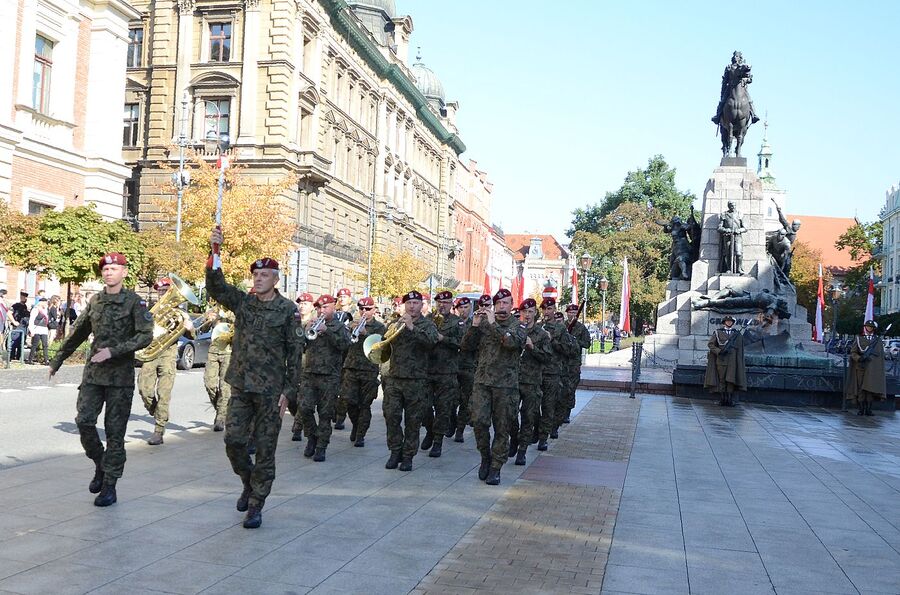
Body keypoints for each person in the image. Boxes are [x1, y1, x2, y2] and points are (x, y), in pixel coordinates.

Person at [206, 228, 303, 528]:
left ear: (276, 279)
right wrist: (215, 250)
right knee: (233, 441)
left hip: (271, 393)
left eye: (265, 274)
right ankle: (248, 482)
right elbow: (216, 287)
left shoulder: (288, 310)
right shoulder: (244, 303)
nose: (259, 278)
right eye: (256, 274)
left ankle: (257, 504)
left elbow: (295, 354)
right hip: (242, 386)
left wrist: (290, 391)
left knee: (265, 449)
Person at [48, 253, 154, 507]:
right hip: (94, 376)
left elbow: (145, 336)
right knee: (84, 422)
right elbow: (78, 333)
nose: (108, 272)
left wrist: (114, 351)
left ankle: (110, 486)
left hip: (120, 378)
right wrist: (57, 360)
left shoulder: (134, 303)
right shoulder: (96, 301)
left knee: (115, 434)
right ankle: (100, 463)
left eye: (114, 268)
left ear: (124, 272)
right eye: (105, 269)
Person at [463, 288, 526, 486]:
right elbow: (466, 347)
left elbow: (511, 343)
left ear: (511, 304)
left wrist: (491, 324)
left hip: (505, 386)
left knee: (502, 427)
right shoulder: (482, 324)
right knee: (479, 422)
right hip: (482, 382)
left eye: (505, 303)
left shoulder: (519, 326)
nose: (501, 307)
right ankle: (485, 456)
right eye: (498, 303)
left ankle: (496, 467)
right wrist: (474, 326)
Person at [382, 290, 438, 471]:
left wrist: (412, 328)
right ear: (404, 305)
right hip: (395, 378)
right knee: (391, 416)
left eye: (415, 303)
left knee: (413, 421)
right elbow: (383, 345)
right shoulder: (394, 323)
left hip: (416, 380)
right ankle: (395, 451)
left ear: (422, 306)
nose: (412, 307)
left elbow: (431, 342)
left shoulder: (428, 325)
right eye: (409, 303)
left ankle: (408, 456)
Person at [138, 278, 193, 446]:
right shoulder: (149, 312)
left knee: (164, 393)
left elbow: (193, 336)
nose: (162, 293)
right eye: (160, 291)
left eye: (166, 290)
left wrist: (190, 328)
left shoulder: (181, 314)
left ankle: (159, 429)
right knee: (144, 389)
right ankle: (158, 413)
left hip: (168, 355)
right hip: (151, 354)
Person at [300, 294, 350, 462]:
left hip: (330, 376)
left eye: (325, 307)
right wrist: (305, 331)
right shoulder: (312, 324)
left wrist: (327, 331)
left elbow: (345, 345)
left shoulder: (340, 327)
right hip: (309, 373)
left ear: (333, 307)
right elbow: (300, 347)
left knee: (325, 413)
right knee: (304, 408)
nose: (321, 310)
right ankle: (312, 437)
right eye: (319, 308)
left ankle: (321, 446)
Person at [421, 291, 463, 457]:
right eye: (439, 302)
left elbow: (461, 344)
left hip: (447, 371)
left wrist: (442, 338)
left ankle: (437, 441)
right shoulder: (428, 320)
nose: (442, 305)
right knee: (423, 406)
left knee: (443, 408)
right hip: (427, 369)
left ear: (451, 303)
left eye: (446, 302)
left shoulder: (457, 322)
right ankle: (430, 430)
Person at [340, 296, 385, 447]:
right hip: (351, 367)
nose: (364, 311)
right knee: (349, 402)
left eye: (367, 309)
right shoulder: (351, 324)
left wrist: (366, 334)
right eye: (361, 309)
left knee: (365, 404)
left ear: (374, 310)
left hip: (369, 369)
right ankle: (355, 425)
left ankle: (360, 435)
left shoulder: (380, 327)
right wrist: (349, 331)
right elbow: (343, 344)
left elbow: (380, 347)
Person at [512, 298, 551, 465]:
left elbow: (547, 357)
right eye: (523, 312)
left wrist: (532, 348)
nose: (527, 315)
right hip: (512, 380)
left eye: (530, 312)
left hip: (532, 382)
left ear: (535, 313)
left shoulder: (542, 335)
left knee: (528, 417)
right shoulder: (514, 330)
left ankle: (522, 450)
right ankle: (514, 438)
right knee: (508, 415)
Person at [536, 297, 577, 450]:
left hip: (552, 373)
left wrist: (552, 340)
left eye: (550, 309)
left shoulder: (560, 329)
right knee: (532, 408)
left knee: (548, 406)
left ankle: (543, 437)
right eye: (545, 309)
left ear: (555, 309)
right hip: (536, 372)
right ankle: (536, 430)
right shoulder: (538, 326)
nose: (547, 312)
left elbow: (568, 350)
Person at [203, 300, 234, 431]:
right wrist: (209, 320)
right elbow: (202, 329)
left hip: (229, 351)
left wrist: (228, 316)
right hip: (214, 350)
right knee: (209, 383)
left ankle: (220, 418)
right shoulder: (212, 310)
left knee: (225, 386)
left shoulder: (234, 309)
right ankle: (222, 409)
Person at [845, 320, 886, 416]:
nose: (869, 328)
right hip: (861, 367)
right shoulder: (859, 338)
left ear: (873, 329)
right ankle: (861, 409)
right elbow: (853, 352)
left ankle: (869, 409)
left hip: (873, 369)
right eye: (867, 327)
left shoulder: (878, 340)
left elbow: (880, 356)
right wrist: (859, 358)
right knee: (861, 389)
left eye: (871, 327)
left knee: (870, 389)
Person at [704, 315, 747, 406]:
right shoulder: (718, 332)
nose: (729, 322)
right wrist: (719, 351)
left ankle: (729, 399)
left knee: (731, 380)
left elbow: (740, 347)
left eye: (730, 321)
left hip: (732, 361)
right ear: (724, 322)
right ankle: (723, 399)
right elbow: (711, 345)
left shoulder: (737, 334)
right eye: (727, 321)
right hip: (721, 360)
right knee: (722, 380)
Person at [290, 292, 315, 442]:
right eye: (300, 303)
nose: (302, 306)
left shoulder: (315, 321)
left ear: (312, 306)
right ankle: (297, 419)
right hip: (293, 363)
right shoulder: (293, 320)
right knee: (292, 398)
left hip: (308, 365)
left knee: (302, 398)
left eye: (305, 303)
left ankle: (298, 427)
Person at [562, 304, 592, 426]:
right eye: (570, 312)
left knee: (570, 389)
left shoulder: (581, 328)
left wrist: (574, 340)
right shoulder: (561, 326)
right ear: (567, 313)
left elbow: (587, 344)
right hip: (560, 362)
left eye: (575, 312)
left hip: (573, 363)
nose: (572, 314)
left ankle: (567, 413)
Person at [453, 296, 475, 443]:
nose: (463, 310)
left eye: (466, 307)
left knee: (465, 401)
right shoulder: (453, 323)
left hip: (469, 367)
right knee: (451, 399)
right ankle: (451, 422)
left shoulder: (476, 324)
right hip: (453, 366)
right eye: (460, 307)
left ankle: (459, 429)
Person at [27, 298, 51, 364]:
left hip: (44, 329)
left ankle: (46, 360)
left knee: (45, 345)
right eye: (45, 302)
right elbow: (31, 320)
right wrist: (31, 330)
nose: (46, 304)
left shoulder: (46, 310)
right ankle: (30, 359)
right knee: (35, 344)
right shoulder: (35, 309)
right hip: (36, 329)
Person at [10, 291, 30, 360]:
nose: (25, 298)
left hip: (24, 327)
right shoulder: (16, 305)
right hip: (18, 327)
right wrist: (14, 321)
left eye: (26, 297)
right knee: (14, 342)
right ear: (21, 297)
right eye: (23, 297)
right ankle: (11, 357)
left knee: (21, 343)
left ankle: (18, 357)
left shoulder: (25, 306)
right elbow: (9, 313)